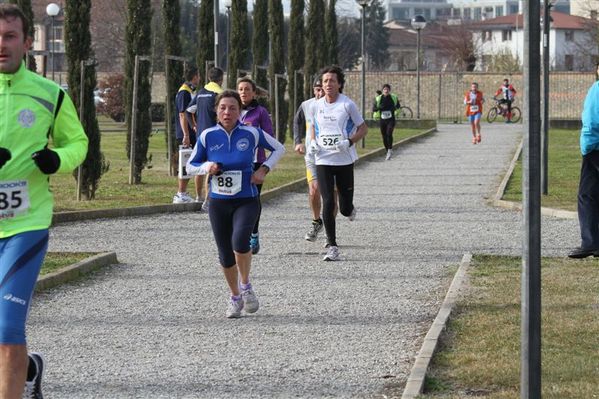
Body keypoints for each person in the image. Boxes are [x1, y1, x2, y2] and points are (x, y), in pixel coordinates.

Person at [0, 4, 88, 398]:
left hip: (25, 224)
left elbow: (78, 143)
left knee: (7, 327)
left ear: (27, 42)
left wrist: (58, 159)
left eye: (9, 36)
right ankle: (29, 368)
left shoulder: (49, 94)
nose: (1, 44)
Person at [186, 90, 285, 318]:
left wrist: (264, 168)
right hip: (218, 203)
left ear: (240, 111)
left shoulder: (251, 133)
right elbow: (191, 165)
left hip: (246, 199)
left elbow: (279, 148)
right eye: (223, 108)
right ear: (216, 111)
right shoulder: (207, 136)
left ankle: (246, 285)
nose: (227, 112)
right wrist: (207, 167)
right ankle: (234, 297)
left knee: (240, 241)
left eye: (232, 108)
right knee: (224, 254)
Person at [308, 65, 368, 261]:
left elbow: (363, 128)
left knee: (343, 208)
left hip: (344, 160)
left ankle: (350, 208)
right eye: (325, 81)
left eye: (332, 81)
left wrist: (349, 142)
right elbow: (313, 127)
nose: (328, 84)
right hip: (323, 159)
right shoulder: (316, 105)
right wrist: (313, 142)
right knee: (328, 201)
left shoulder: (347, 105)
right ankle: (332, 246)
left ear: (339, 84)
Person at [237, 77, 274, 255]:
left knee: (253, 199)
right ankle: (237, 234)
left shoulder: (260, 112)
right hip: (235, 162)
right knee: (235, 199)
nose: (243, 92)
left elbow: (270, 138)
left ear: (254, 92)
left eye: (247, 89)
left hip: (255, 162)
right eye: (241, 89)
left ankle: (253, 234)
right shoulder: (232, 110)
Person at [293, 78, 328, 242]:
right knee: (314, 189)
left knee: (332, 195)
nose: (319, 93)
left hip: (332, 157)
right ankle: (316, 222)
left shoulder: (337, 106)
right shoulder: (306, 105)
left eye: (322, 89)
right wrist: (298, 141)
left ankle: (330, 226)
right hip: (312, 156)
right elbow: (297, 121)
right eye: (317, 89)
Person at [568, 78, 599, 258]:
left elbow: (592, 119)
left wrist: (587, 145)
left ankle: (590, 242)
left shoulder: (597, 88)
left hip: (595, 148)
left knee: (587, 195)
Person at [187, 67, 224, 210]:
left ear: (208, 78)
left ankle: (198, 196)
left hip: (200, 135)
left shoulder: (200, 93)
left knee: (200, 165)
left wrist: (194, 126)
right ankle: (207, 201)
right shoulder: (219, 94)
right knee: (211, 167)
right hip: (215, 135)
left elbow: (189, 110)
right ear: (220, 79)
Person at [172, 66, 204, 204]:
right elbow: (182, 114)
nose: (199, 78)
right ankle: (181, 193)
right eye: (198, 75)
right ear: (194, 76)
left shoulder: (190, 91)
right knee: (185, 163)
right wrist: (186, 134)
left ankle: (183, 193)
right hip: (186, 134)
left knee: (190, 162)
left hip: (191, 133)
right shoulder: (184, 92)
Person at [372, 84, 401, 160]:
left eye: (387, 89)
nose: (386, 90)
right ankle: (387, 150)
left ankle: (390, 150)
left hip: (391, 119)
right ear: (382, 90)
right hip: (382, 119)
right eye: (384, 89)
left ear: (389, 90)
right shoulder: (378, 99)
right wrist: (379, 107)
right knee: (384, 136)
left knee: (389, 133)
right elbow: (374, 109)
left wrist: (394, 109)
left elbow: (398, 106)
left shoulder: (393, 97)